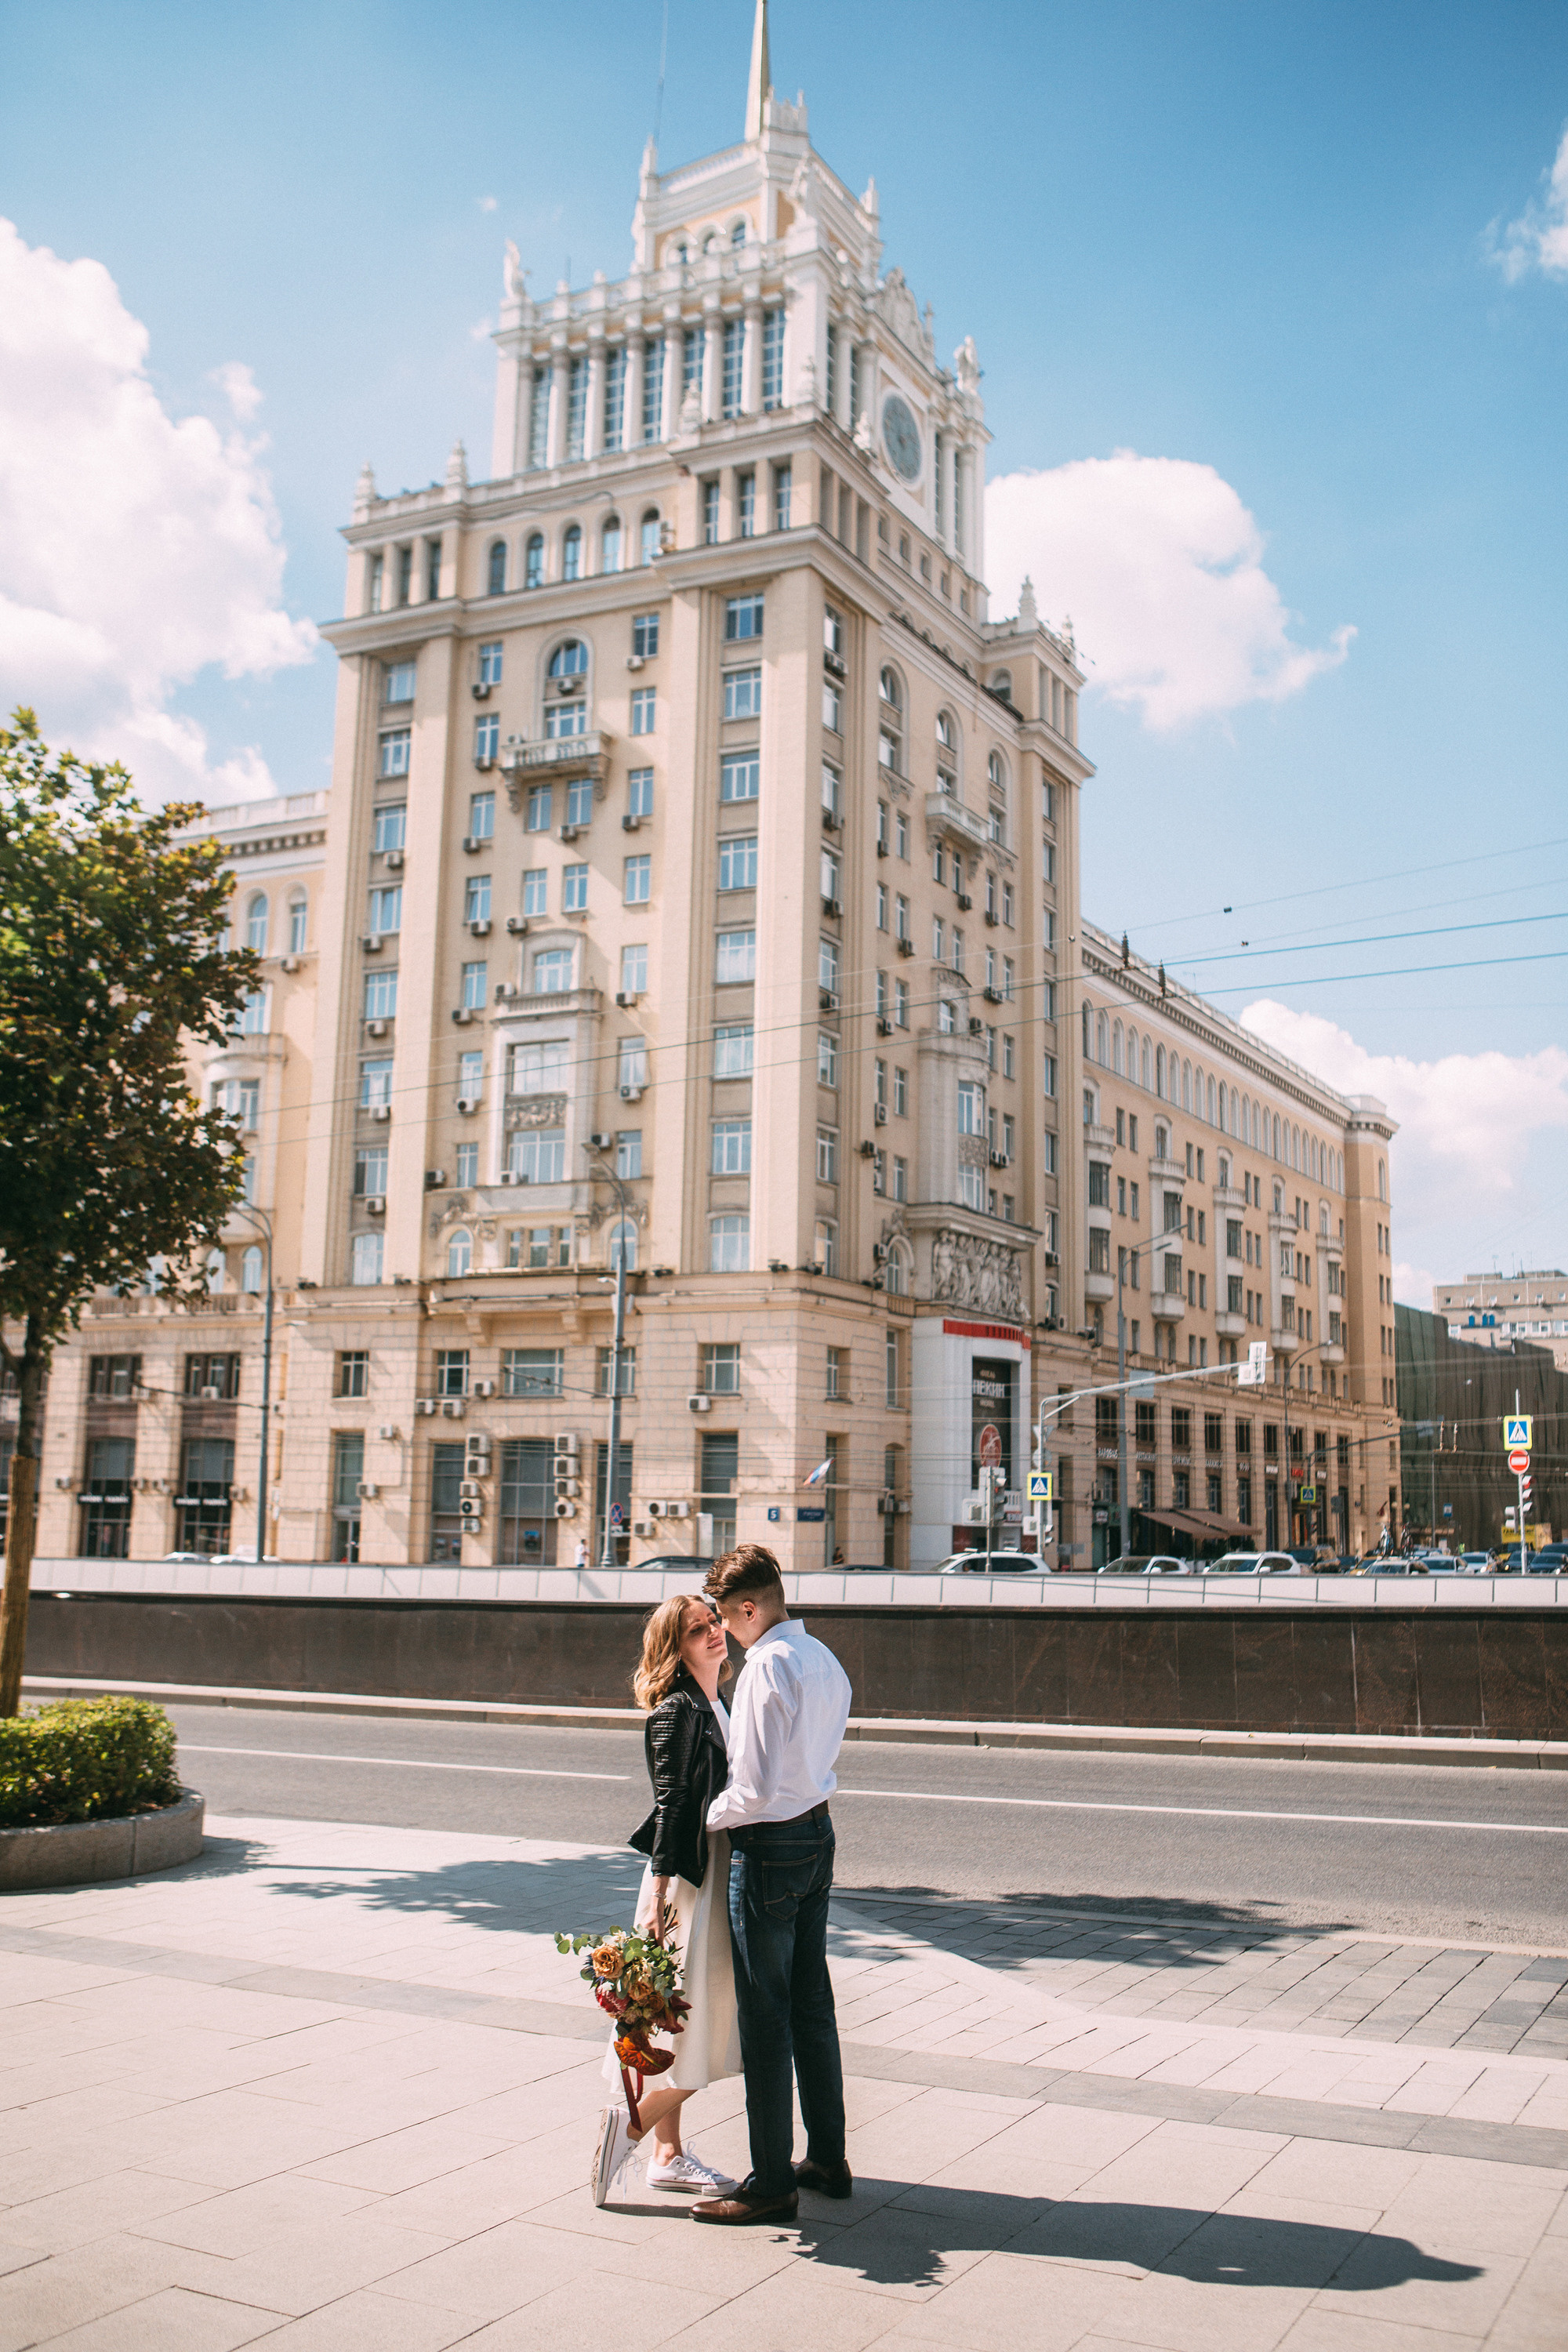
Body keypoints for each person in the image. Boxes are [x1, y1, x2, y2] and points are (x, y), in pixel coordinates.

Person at [690, 1542, 854, 2225]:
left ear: (750, 1609)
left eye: (726, 1619)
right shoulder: (824, 1659)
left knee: (766, 2015)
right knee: (813, 2003)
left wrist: (707, 1814)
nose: (723, 1632)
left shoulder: (765, 1670)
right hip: (818, 1834)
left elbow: (751, 1791)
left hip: (770, 1850)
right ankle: (827, 2159)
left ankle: (771, 2184)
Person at [591, 1595, 740, 2205]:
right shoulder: (677, 1710)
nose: (712, 1634)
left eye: (713, 1622)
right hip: (687, 1880)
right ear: (674, 1650)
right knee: (707, 2019)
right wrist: (657, 1899)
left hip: (705, 1870)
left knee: (673, 2023)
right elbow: (673, 1803)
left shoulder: (716, 1702)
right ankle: (634, 2125)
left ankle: (668, 2156)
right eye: (696, 1630)